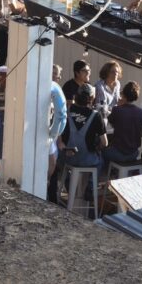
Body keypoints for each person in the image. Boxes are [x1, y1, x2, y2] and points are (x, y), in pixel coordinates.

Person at [61, 83, 107, 192]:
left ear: (76, 95)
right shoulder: (96, 115)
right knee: (101, 161)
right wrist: (97, 148)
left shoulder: (67, 111)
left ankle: (67, 178)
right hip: (87, 160)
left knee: (61, 157)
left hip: (67, 157)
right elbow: (105, 143)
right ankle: (91, 186)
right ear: (92, 98)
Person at [104, 81, 142, 165]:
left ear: (123, 94)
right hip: (134, 153)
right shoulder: (141, 113)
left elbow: (110, 122)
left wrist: (118, 106)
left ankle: (107, 175)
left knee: (101, 152)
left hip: (118, 152)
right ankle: (115, 172)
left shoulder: (117, 110)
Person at [47, 64, 68, 203]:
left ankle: (52, 198)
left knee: (53, 167)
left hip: (50, 137)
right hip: (46, 136)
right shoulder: (52, 90)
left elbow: (60, 116)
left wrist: (57, 137)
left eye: (56, 74)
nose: (54, 75)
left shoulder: (56, 91)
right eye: (52, 72)